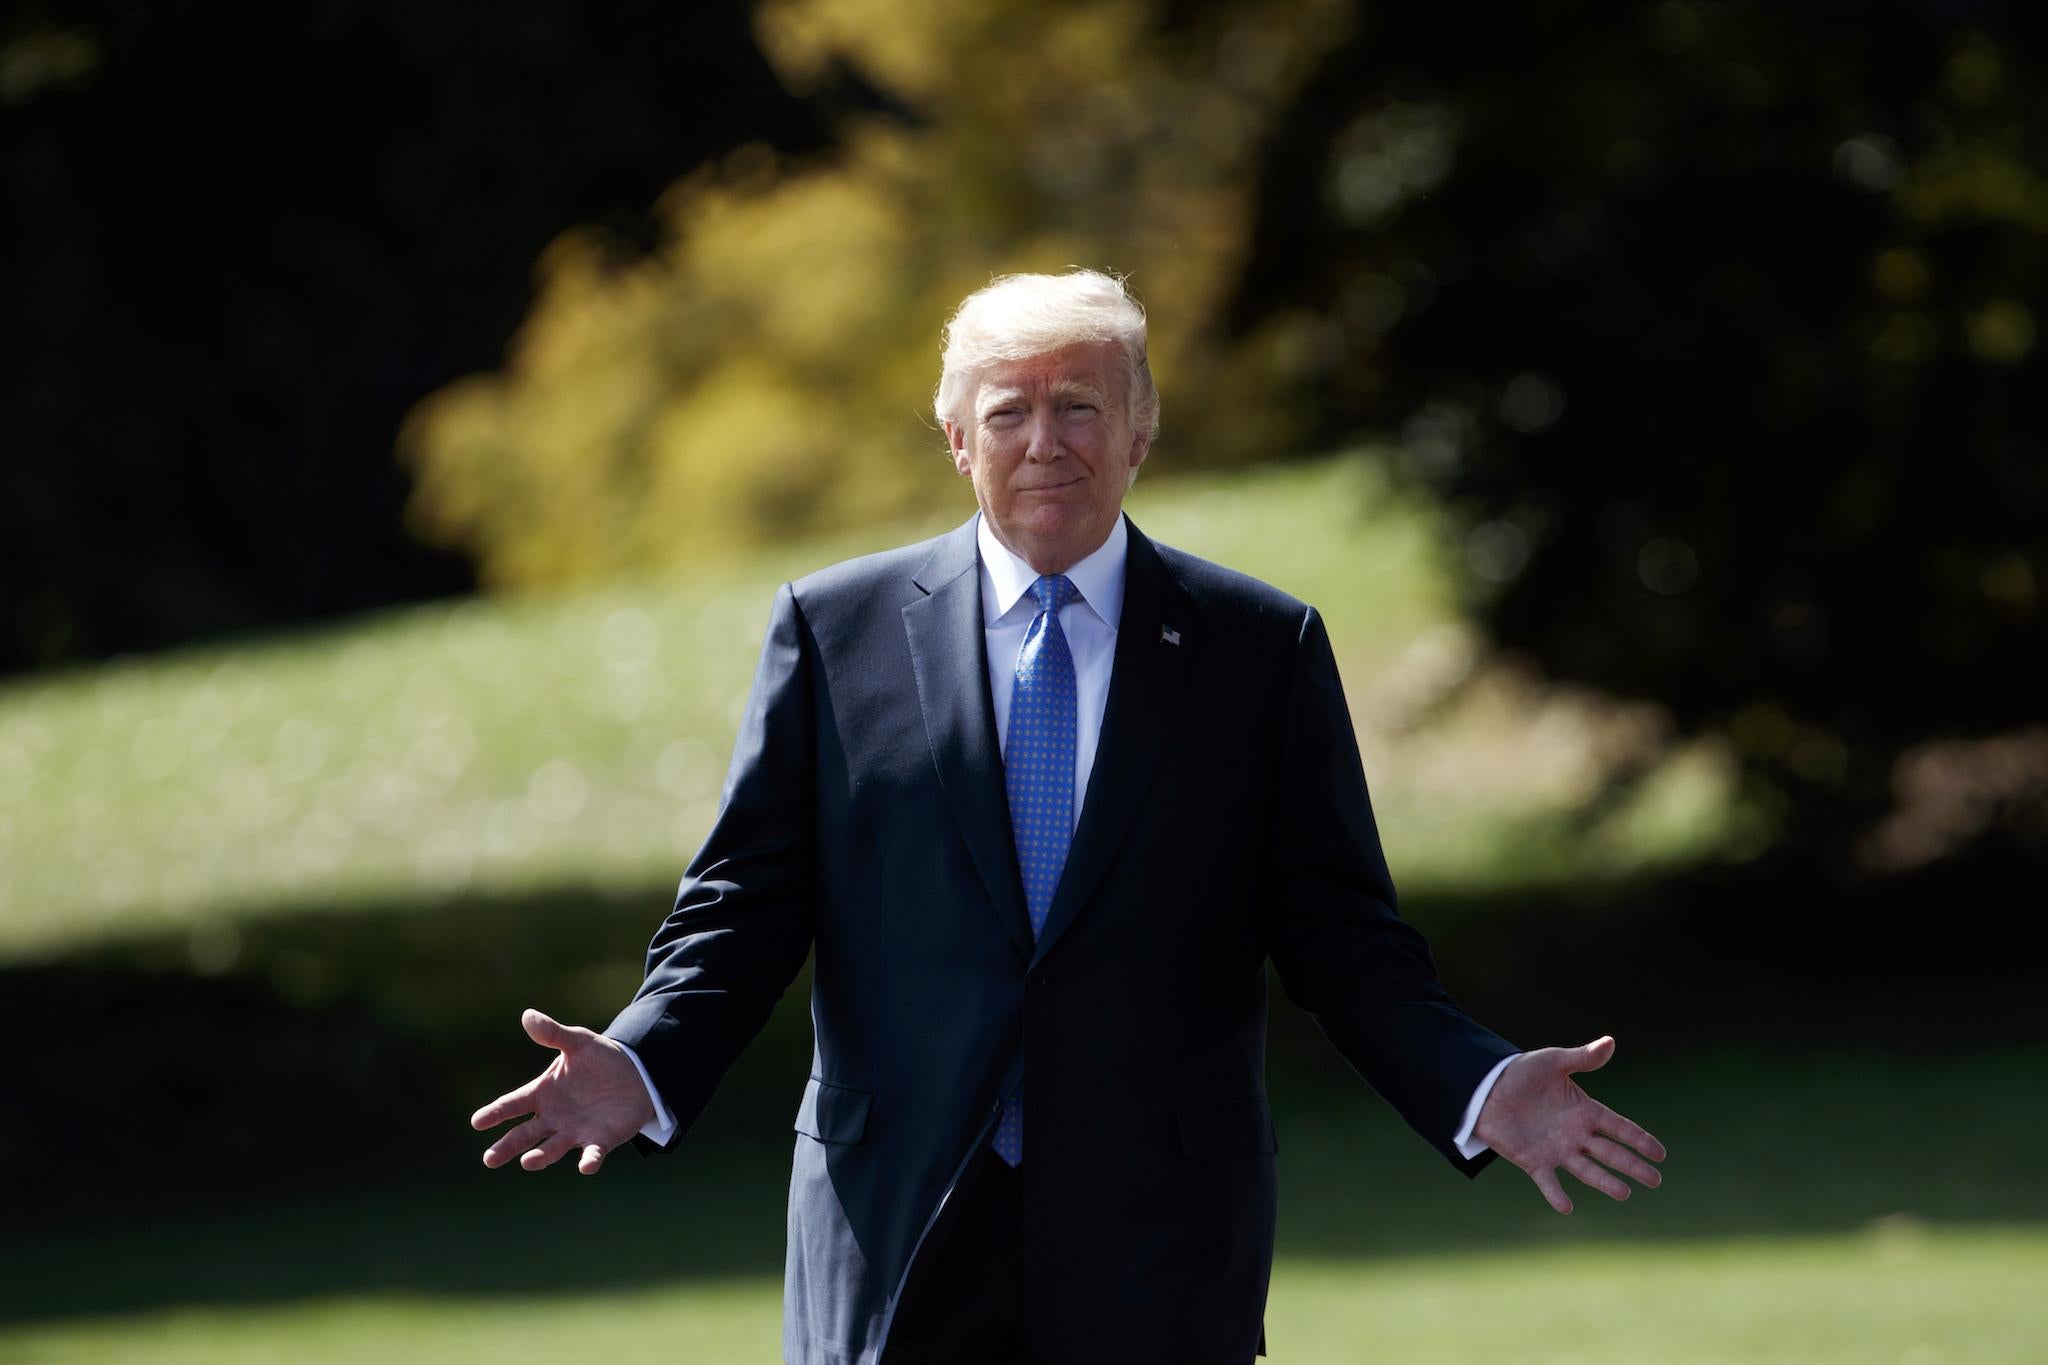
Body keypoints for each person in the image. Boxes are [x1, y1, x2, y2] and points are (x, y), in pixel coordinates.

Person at [472, 269, 1666, 1364]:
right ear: (955, 438)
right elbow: (743, 909)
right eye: (1008, 411)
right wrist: (643, 1053)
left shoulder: (1256, 650)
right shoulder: (833, 632)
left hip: (1157, 1246)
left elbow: (1342, 940)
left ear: (1139, 432)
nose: (1045, 442)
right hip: (894, 1231)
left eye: (1081, 407)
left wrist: (1475, 1084)